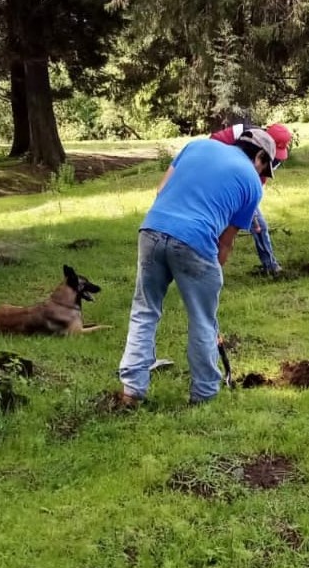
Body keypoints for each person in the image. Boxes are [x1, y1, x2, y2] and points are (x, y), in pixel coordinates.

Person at [117, 128, 275, 407]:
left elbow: (161, 190)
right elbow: (225, 243)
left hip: (152, 228)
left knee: (144, 311)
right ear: (260, 156)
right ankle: (204, 394)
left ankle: (131, 391)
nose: (263, 173)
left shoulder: (196, 146)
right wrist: (210, 282)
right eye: (266, 167)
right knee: (203, 320)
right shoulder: (251, 181)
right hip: (196, 239)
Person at [209, 122, 292, 276]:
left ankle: (271, 267)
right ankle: (208, 271)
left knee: (259, 226)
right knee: (218, 229)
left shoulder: (271, 158)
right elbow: (213, 142)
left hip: (242, 188)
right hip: (219, 185)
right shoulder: (241, 131)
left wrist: (251, 207)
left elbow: (258, 182)